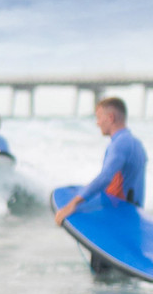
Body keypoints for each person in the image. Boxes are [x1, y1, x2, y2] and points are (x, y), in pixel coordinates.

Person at [54, 97, 147, 226]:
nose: (97, 123)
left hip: (118, 215)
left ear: (110, 117)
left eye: (98, 117)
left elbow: (105, 177)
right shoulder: (136, 143)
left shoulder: (120, 144)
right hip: (132, 214)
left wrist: (73, 203)